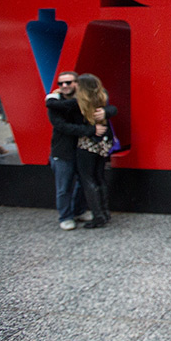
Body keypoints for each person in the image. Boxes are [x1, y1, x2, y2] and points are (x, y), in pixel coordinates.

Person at [45, 71, 109, 231]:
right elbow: (61, 126)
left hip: (82, 150)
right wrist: (90, 130)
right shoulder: (57, 102)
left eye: (69, 82)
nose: (65, 86)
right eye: (61, 84)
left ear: (77, 84)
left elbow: (108, 105)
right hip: (63, 151)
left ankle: (79, 211)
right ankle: (65, 217)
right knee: (64, 186)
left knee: (83, 183)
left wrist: (107, 112)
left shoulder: (82, 101)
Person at [73, 73, 116, 229]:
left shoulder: (79, 103)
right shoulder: (102, 98)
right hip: (104, 143)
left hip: (87, 144)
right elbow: (113, 109)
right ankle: (105, 212)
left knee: (88, 179)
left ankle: (98, 215)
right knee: (99, 177)